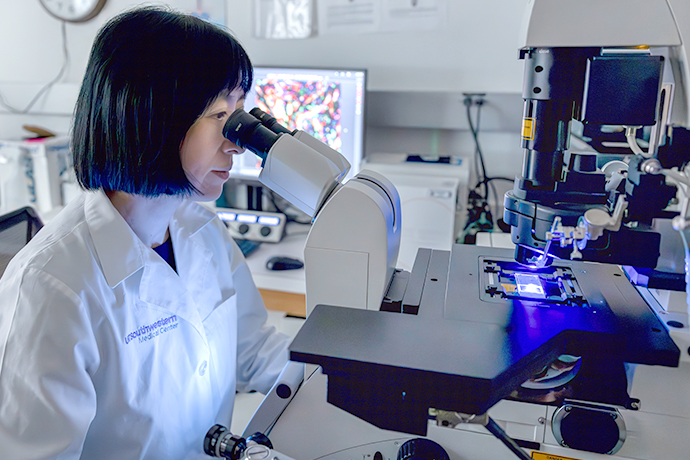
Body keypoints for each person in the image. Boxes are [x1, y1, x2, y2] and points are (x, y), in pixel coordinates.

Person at [0, 6, 291, 459]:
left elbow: (253, 351)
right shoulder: (53, 286)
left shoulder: (202, 229)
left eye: (239, 112)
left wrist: (346, 387)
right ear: (158, 120)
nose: (237, 141)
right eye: (220, 115)